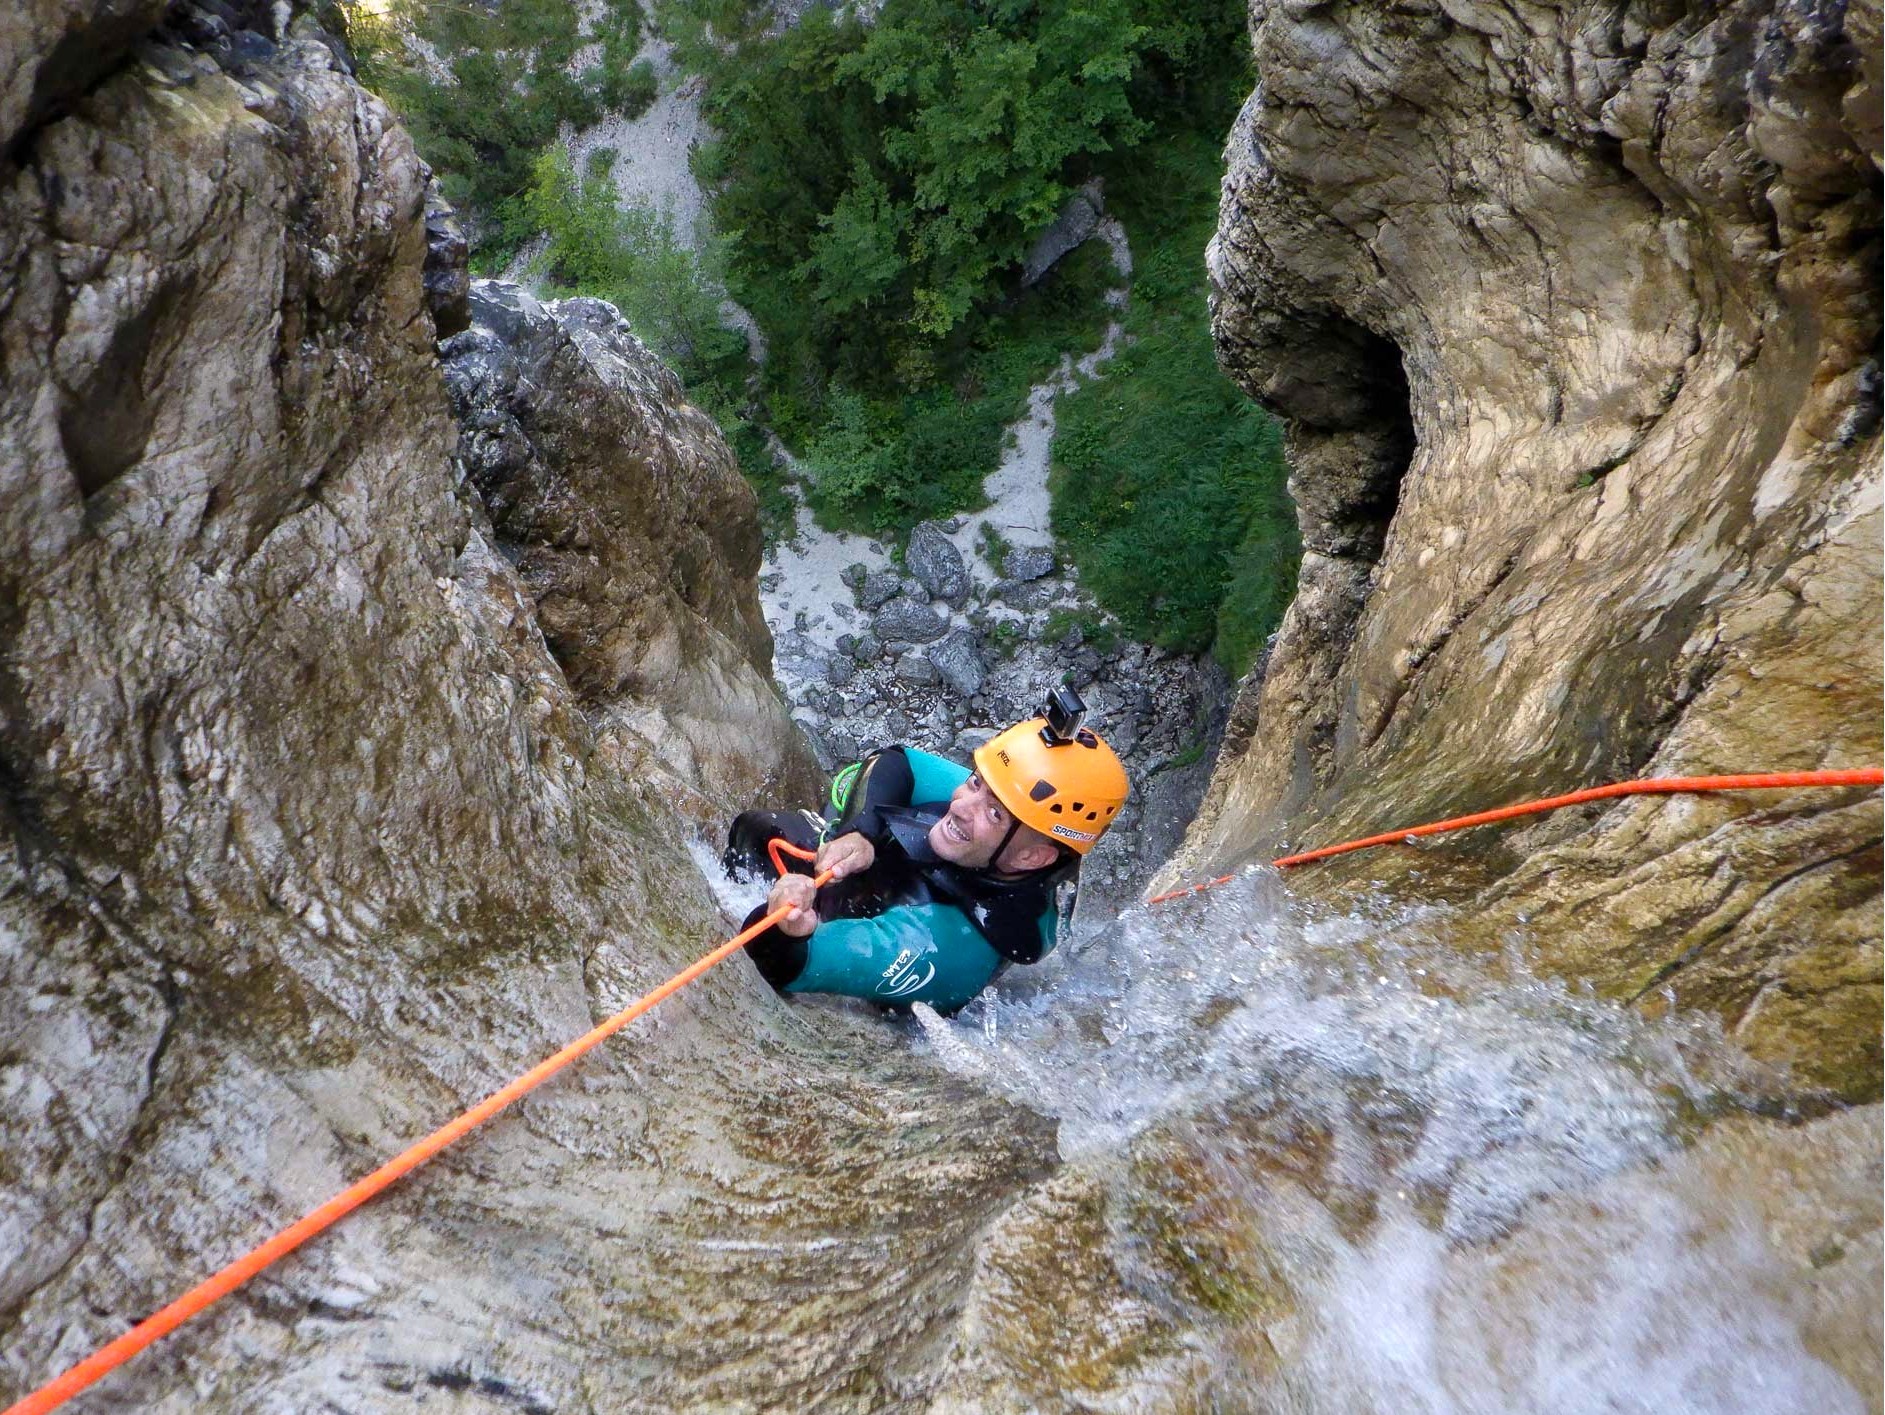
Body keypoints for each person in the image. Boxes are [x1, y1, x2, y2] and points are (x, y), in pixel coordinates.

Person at [722, 687, 1130, 1014]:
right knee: (764, 828)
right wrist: (859, 831)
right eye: (975, 782)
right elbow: (900, 762)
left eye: (992, 813)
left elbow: (785, 964)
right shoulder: (1024, 829)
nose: (958, 804)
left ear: (1031, 858)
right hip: (904, 880)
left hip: (899, 922)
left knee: (760, 834)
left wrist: (785, 926)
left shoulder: (942, 947)